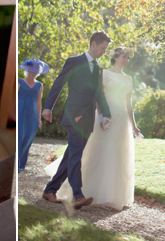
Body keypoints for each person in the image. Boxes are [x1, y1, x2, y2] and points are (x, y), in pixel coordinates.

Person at [45, 46, 142, 210]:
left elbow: (127, 104)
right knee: (81, 152)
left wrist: (133, 125)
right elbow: (97, 95)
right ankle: (77, 194)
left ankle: (52, 190)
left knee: (75, 153)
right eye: (124, 56)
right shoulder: (102, 72)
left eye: (128, 57)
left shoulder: (123, 77)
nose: (126, 60)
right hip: (97, 118)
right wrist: (102, 116)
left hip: (118, 120)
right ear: (116, 57)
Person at [41, 31, 112, 210]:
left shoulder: (98, 68)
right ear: (94, 44)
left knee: (71, 155)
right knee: (76, 154)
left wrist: (106, 114)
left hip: (88, 119)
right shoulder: (74, 61)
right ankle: (78, 195)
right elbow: (59, 83)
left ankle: (50, 190)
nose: (104, 51)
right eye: (103, 48)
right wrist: (48, 107)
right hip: (74, 115)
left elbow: (99, 94)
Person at [18, 58, 49, 172]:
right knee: (19, 136)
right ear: (27, 71)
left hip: (32, 114)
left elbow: (38, 102)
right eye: (31, 72)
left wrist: (39, 119)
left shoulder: (39, 85)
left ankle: (21, 163)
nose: (33, 74)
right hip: (20, 111)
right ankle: (16, 165)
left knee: (28, 138)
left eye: (36, 72)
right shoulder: (20, 82)